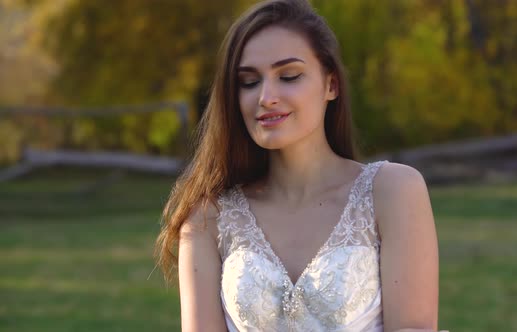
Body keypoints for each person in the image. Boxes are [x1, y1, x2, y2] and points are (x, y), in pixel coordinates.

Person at [155, 0, 443, 331]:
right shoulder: (207, 216)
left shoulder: (393, 191)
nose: (266, 97)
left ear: (331, 85)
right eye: (248, 82)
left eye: (289, 76)